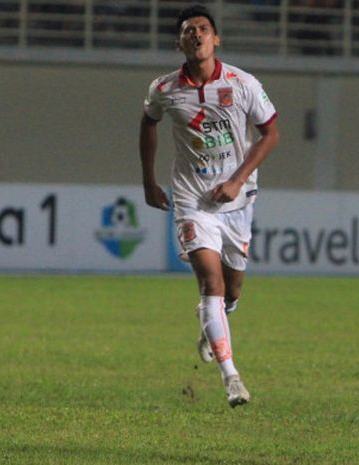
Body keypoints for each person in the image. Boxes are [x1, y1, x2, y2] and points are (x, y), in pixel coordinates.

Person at [139, 4, 280, 408]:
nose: (196, 35)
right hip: (191, 200)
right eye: (188, 31)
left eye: (203, 28)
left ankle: (213, 325)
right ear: (179, 42)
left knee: (232, 290)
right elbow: (148, 122)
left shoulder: (243, 83)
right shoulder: (164, 89)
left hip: (237, 200)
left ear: (216, 38)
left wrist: (237, 180)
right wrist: (149, 180)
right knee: (210, 284)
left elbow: (271, 133)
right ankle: (232, 377)